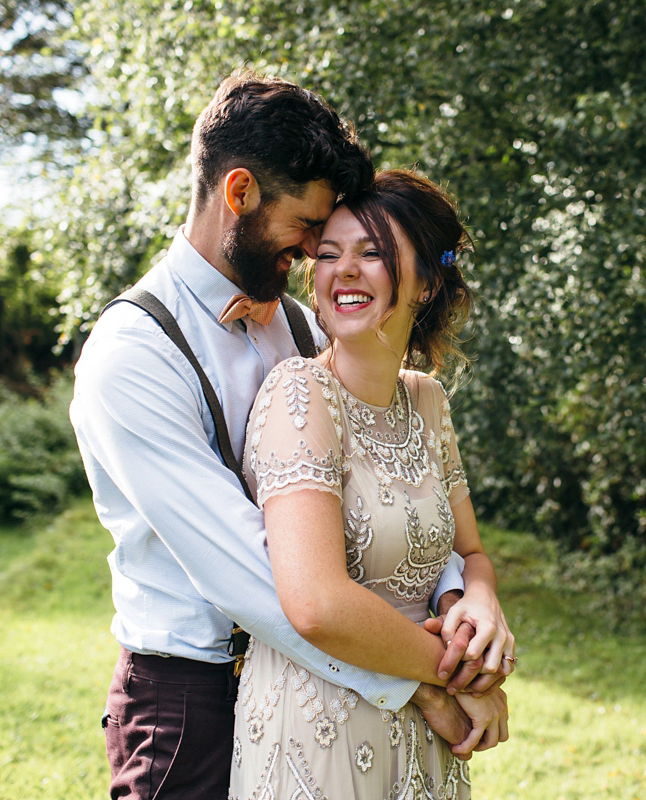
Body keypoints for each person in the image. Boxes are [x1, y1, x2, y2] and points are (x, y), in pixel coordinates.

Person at [70, 71, 509, 800]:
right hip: (190, 700)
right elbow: (251, 569)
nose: (316, 255)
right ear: (238, 193)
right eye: (307, 227)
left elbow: (376, 496)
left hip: (326, 680)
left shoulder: (302, 327)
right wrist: (427, 682)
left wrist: (465, 597)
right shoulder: (133, 355)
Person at [230, 169, 515, 799]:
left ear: (429, 280)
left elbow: (469, 554)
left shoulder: (429, 402)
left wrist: (478, 602)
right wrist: (464, 681)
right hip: (319, 730)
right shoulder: (298, 394)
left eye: (372, 253)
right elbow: (317, 604)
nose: (344, 271)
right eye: (328, 255)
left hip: (429, 745)